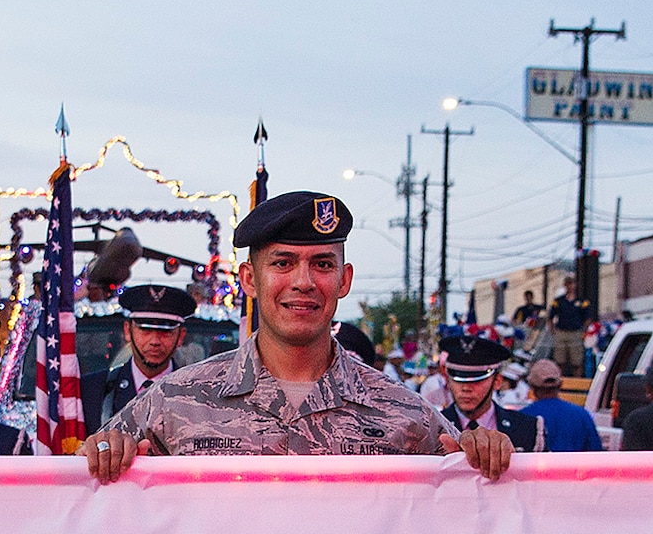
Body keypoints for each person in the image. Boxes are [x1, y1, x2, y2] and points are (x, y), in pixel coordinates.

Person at [82, 190, 511, 481]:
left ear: (344, 280)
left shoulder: (406, 417)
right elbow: (83, 500)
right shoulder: (173, 403)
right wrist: (105, 454)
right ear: (250, 278)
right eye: (283, 263)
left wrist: (482, 454)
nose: (303, 282)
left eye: (322, 264)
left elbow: (467, 529)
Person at [82, 284, 198, 439]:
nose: (155, 341)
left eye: (165, 332)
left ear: (181, 337)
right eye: (145, 330)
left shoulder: (196, 393)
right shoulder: (92, 390)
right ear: (127, 331)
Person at [435, 335, 544, 453]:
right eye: (458, 379)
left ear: (497, 382)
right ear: (448, 380)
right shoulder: (432, 429)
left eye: (477, 380)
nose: (466, 388)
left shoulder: (527, 428)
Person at [519, 360, 603, 452]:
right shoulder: (582, 415)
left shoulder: (522, 417)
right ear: (561, 384)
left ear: (531, 385)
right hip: (573, 466)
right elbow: (595, 454)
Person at [548, 277, 589, 374]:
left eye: (572, 283)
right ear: (565, 285)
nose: (570, 286)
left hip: (575, 333)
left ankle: (577, 385)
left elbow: (587, 318)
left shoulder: (582, 301)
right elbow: (550, 317)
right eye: (568, 284)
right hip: (561, 332)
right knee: (560, 361)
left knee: (577, 362)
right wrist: (552, 330)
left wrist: (584, 332)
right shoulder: (558, 301)